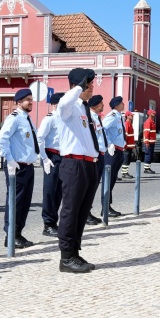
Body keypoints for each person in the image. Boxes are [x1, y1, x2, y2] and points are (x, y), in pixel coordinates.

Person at [57, 68, 99, 273]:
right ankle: (65, 257)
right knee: (70, 211)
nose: (92, 87)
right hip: (73, 164)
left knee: (82, 212)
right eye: (88, 84)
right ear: (78, 85)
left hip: (88, 164)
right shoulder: (69, 107)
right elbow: (64, 102)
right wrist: (79, 86)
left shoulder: (83, 108)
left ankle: (74, 251)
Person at [0, 88, 39, 249]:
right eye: (27, 99)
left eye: (31, 99)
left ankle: (18, 233)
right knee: (15, 201)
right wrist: (9, 159)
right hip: (17, 166)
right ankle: (11, 234)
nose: (30, 102)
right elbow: (2, 138)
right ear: (19, 102)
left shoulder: (27, 119)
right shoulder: (14, 118)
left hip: (28, 166)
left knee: (25, 202)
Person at [37, 92, 63, 237]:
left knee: (59, 191)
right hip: (51, 155)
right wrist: (44, 158)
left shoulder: (64, 119)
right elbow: (40, 138)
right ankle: (48, 224)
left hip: (62, 156)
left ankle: (54, 221)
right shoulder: (50, 119)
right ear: (54, 105)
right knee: (50, 190)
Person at [101, 96, 126, 217]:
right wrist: (109, 143)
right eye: (121, 103)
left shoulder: (119, 116)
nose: (123, 104)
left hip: (119, 151)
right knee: (108, 179)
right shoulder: (112, 115)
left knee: (112, 179)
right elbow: (102, 128)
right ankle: (105, 207)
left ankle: (107, 206)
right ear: (116, 105)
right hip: (112, 151)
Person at [88, 94, 108, 224]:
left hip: (100, 155)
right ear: (95, 106)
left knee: (94, 186)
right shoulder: (90, 118)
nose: (103, 105)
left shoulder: (97, 118)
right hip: (93, 156)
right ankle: (85, 214)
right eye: (101, 104)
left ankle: (87, 212)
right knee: (89, 186)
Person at [122, 111, 135, 179]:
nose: (132, 116)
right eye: (131, 115)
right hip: (127, 145)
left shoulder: (129, 123)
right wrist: (124, 145)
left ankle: (125, 172)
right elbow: (125, 135)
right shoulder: (127, 123)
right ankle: (124, 173)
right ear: (127, 116)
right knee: (126, 159)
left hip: (130, 145)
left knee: (128, 159)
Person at [142, 109, 157, 174]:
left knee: (150, 155)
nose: (154, 114)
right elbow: (146, 132)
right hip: (149, 142)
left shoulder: (152, 121)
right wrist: (147, 142)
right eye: (153, 113)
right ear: (149, 114)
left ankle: (148, 167)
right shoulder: (148, 122)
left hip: (152, 141)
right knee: (148, 154)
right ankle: (146, 169)